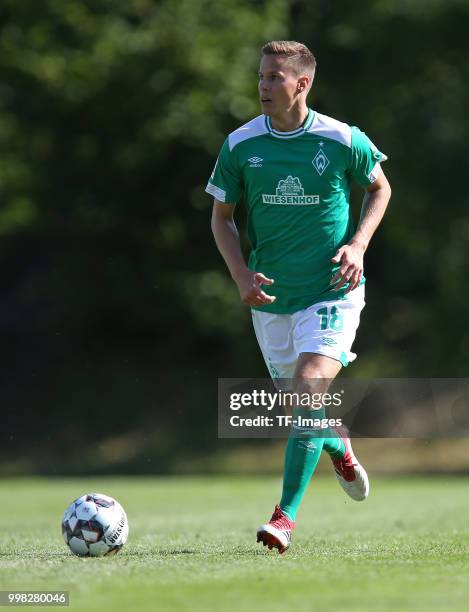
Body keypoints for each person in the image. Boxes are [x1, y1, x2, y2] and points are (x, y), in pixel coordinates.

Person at [207, 40, 391, 554]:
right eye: (261, 76)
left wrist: (357, 243)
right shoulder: (241, 144)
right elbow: (221, 219)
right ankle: (339, 445)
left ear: (301, 84)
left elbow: (381, 188)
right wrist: (241, 274)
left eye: (272, 78)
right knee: (304, 413)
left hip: (332, 292)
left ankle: (283, 517)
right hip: (270, 300)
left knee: (310, 386)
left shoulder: (341, 138)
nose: (262, 86)